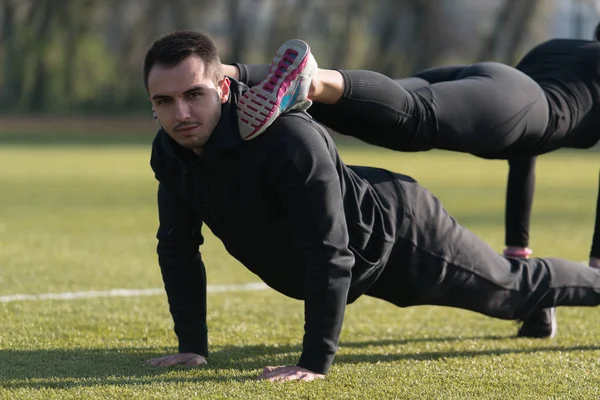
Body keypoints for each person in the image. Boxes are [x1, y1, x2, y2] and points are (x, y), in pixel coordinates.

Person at [143, 30, 600, 382]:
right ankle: (539, 305)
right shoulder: (171, 151)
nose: (180, 114)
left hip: (401, 236)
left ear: (223, 89)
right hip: (357, 244)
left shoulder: (289, 142)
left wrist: (314, 362)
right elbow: (178, 247)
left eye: (193, 95)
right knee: (397, 115)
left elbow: (330, 253)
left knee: (509, 291)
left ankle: (570, 288)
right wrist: (192, 345)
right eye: (164, 102)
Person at [229, 37, 600, 338]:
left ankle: (230, 76)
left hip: (492, 81)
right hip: (527, 108)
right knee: (412, 118)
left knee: (368, 115)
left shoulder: (557, 47)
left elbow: (524, 154)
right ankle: (306, 76)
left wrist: (518, 248)